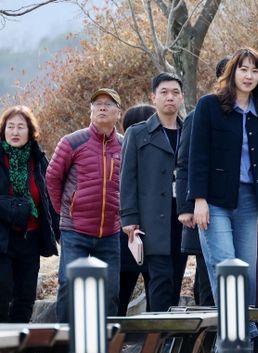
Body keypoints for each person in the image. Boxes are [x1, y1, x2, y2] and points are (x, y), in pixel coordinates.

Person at [188, 47, 258, 353]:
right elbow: (198, 156)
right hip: (214, 201)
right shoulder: (209, 106)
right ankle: (242, 337)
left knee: (247, 273)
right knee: (225, 266)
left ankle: (240, 335)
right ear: (232, 73)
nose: (249, 75)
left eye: (255, 70)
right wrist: (198, 200)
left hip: (249, 202)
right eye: (243, 69)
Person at [47, 88, 124, 322]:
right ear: (90, 111)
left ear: (119, 113)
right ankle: (64, 339)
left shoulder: (125, 144)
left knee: (110, 291)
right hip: (75, 230)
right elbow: (52, 177)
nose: (102, 108)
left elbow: (132, 183)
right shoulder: (72, 141)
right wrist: (65, 210)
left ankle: (106, 339)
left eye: (109, 104)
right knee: (68, 285)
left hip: (111, 231)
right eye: (97, 104)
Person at [120, 72, 187, 313]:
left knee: (176, 279)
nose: (170, 97)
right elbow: (127, 178)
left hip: (183, 215)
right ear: (154, 97)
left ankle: (166, 333)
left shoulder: (189, 131)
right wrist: (129, 218)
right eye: (164, 92)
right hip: (151, 218)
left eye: (175, 93)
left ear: (182, 98)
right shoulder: (137, 133)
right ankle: (159, 333)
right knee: (160, 278)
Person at [177, 58, 230, 310]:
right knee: (208, 278)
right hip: (205, 209)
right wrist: (186, 207)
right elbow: (185, 163)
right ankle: (211, 332)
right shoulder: (199, 115)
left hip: (237, 208)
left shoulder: (252, 116)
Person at [0, 106, 58, 323]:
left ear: (30, 131)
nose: (15, 132)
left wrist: (59, 230)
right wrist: (15, 208)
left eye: (20, 127)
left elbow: (49, 197)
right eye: (10, 127)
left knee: (25, 297)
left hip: (31, 238)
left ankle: (18, 339)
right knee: (2, 293)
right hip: (3, 238)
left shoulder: (38, 159)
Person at [117, 104, 155, 316]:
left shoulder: (119, 154)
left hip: (124, 233)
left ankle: (113, 335)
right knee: (156, 295)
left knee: (119, 296)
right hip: (151, 233)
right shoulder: (160, 157)